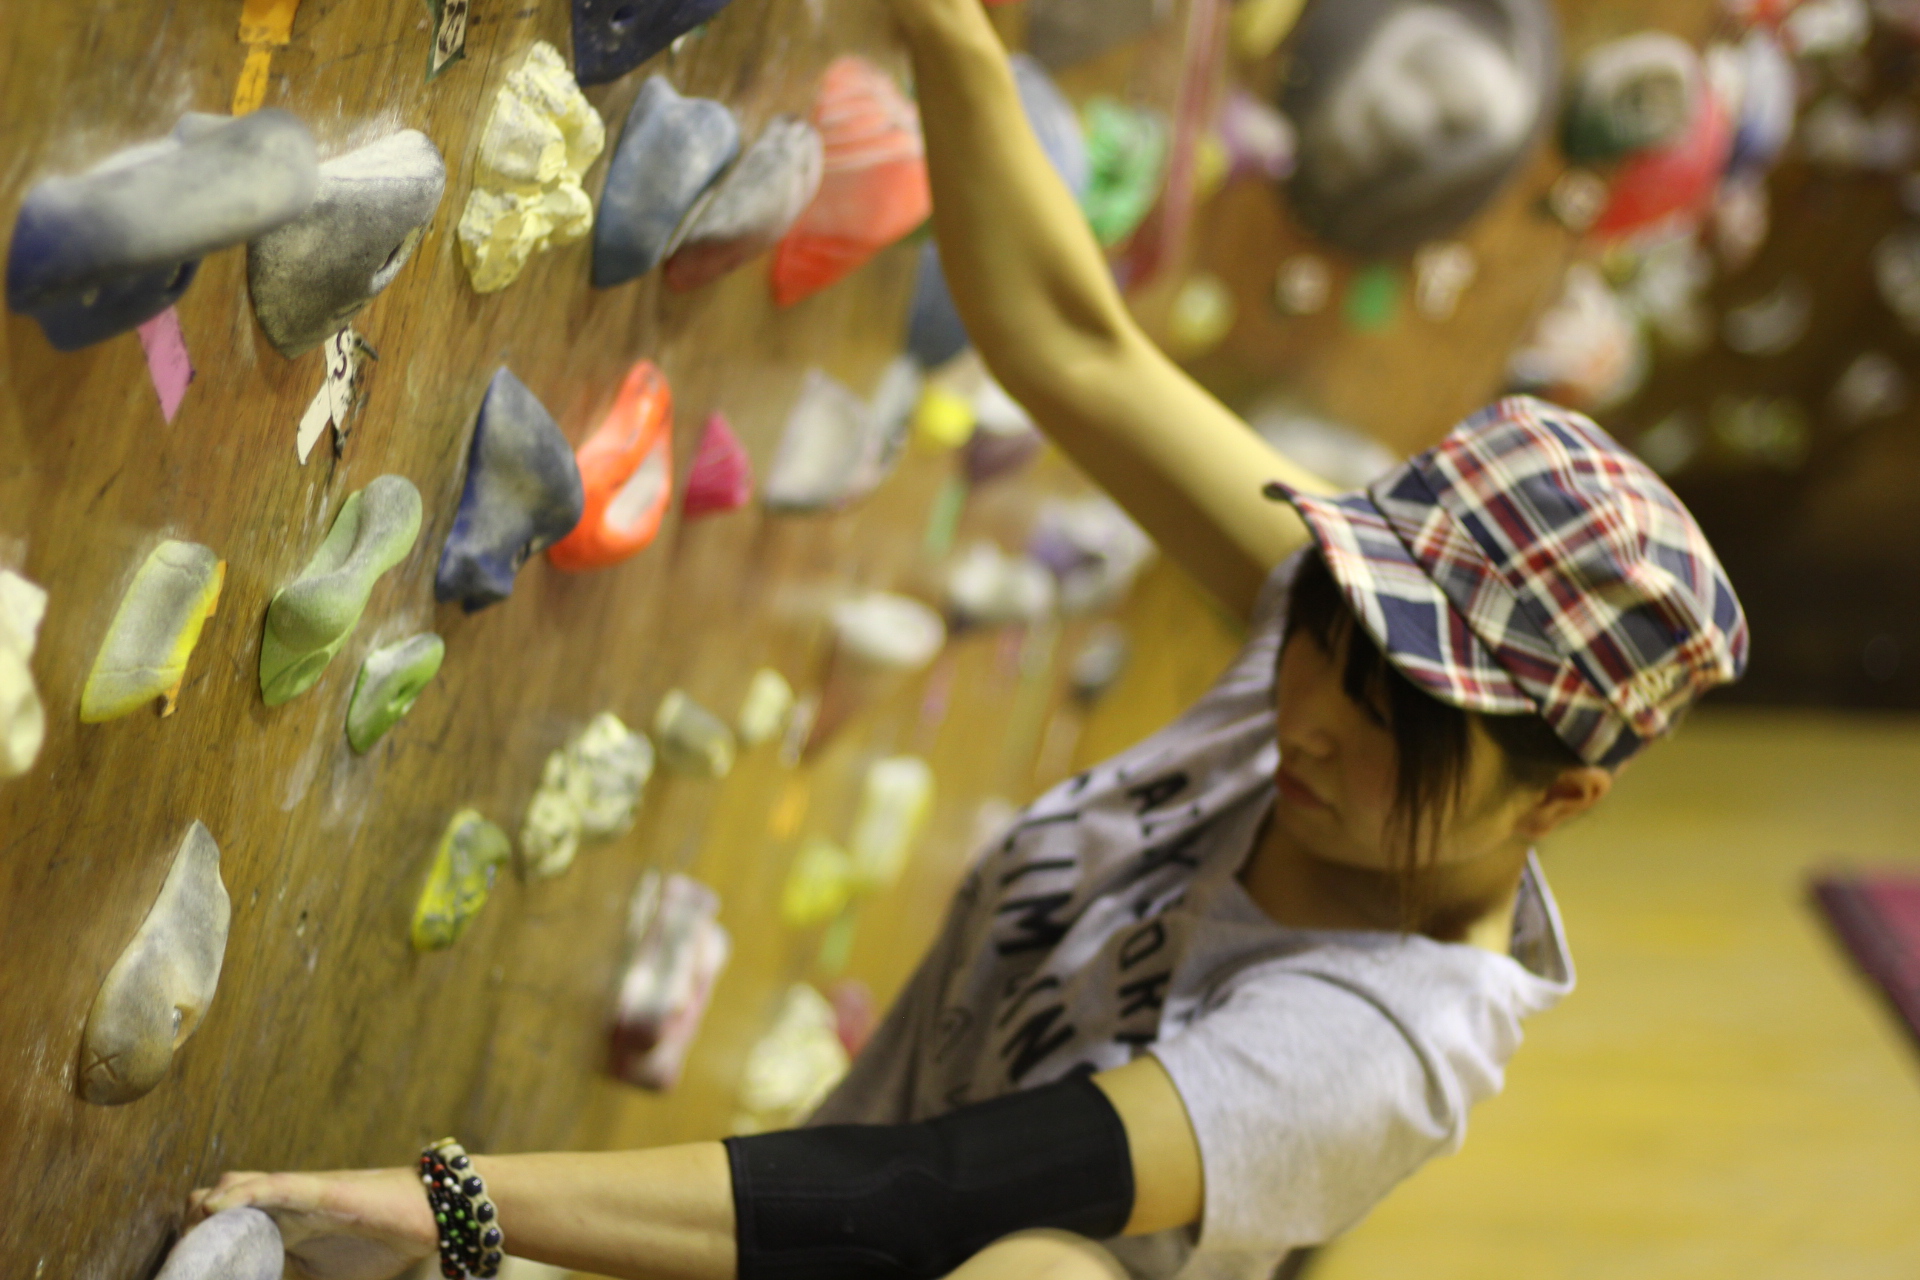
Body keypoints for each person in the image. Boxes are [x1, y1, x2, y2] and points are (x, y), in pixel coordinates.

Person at [186, 0, 1747, 1277]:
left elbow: (934, 1194)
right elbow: (1075, 342)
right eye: (1322, 644)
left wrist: (455, 1206)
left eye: (1394, 719)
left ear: (1560, 800)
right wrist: (948, 29)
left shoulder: (1371, 1048)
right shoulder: (1360, 635)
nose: (1313, 719)